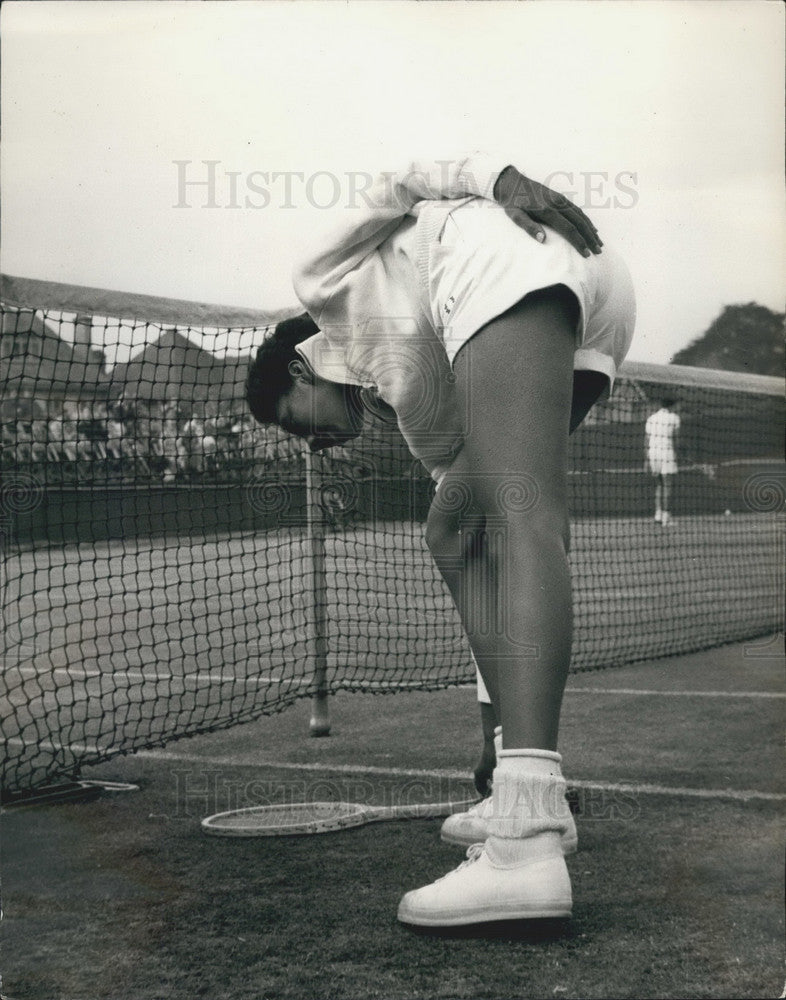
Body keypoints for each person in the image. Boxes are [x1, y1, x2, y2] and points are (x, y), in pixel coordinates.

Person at [246, 154, 635, 926]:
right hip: (590, 295)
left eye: (296, 422)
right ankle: (518, 794)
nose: (314, 444)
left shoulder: (321, 281)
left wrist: (498, 178)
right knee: (458, 531)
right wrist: (492, 741)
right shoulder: (409, 400)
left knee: (519, 519)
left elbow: (397, 172)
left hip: (512, 256)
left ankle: (525, 840)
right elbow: (482, 563)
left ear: (298, 368)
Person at [645, 396, 680, 524]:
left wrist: (646, 460)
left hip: (653, 454)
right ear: (672, 405)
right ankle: (666, 518)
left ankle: (658, 515)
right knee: (667, 485)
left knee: (660, 485)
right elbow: (677, 440)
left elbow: (646, 440)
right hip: (667, 453)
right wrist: (679, 455)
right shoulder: (675, 418)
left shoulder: (651, 418)